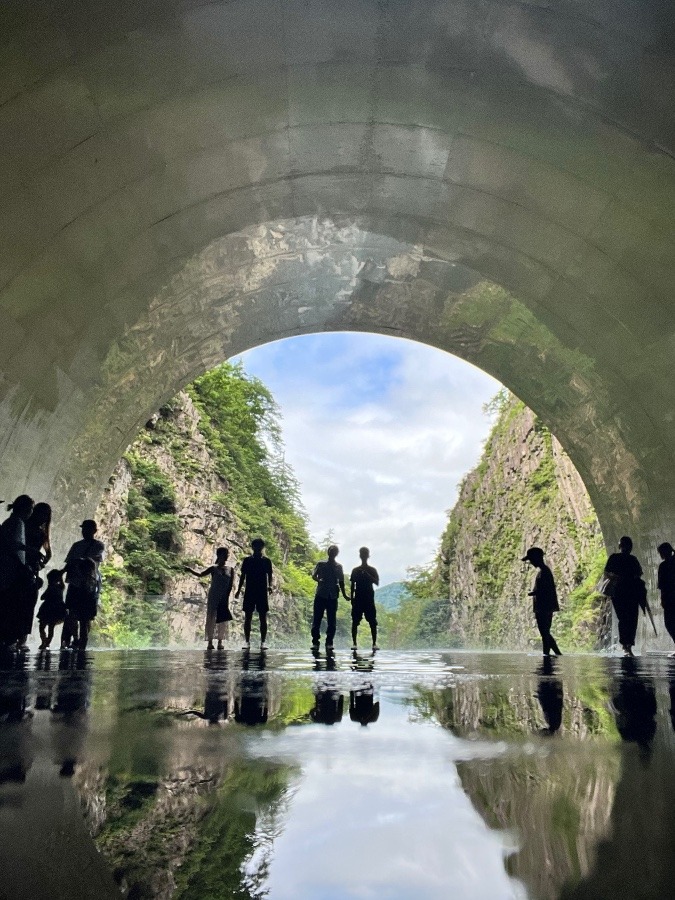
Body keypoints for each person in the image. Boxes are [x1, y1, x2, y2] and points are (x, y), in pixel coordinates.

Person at [61, 520, 105, 649]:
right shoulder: (76, 545)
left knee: (85, 617)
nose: (84, 531)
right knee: (70, 613)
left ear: (94, 531)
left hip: (89, 584)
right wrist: (61, 573)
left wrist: (77, 562)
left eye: (87, 529)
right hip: (75, 583)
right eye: (83, 529)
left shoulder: (98, 545)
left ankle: (82, 643)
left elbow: (91, 560)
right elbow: (69, 562)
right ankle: (68, 641)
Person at [0, 494, 35, 648]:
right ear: (26, 509)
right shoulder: (17, 522)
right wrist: (23, 566)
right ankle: (11, 637)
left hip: (7, 568)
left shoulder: (10, 521)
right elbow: (13, 546)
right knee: (13, 603)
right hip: (12, 569)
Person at [185, 547, 234, 650]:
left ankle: (220, 642)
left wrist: (227, 596)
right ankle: (210, 642)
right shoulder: (213, 568)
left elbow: (230, 585)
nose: (226, 556)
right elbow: (201, 574)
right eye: (225, 554)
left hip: (224, 596)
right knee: (211, 616)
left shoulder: (230, 569)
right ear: (219, 555)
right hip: (214, 595)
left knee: (222, 618)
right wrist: (190, 570)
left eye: (227, 554)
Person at [604, 536, 644, 657]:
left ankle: (626, 646)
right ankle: (627, 646)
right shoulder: (631, 559)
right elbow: (638, 575)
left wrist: (616, 578)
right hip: (626, 593)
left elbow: (607, 573)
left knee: (625, 619)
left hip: (621, 593)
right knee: (630, 619)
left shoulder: (616, 558)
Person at [22, 502, 52, 647]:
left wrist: (41, 563)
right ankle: (19, 637)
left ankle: (22, 638)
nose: (43, 518)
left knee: (29, 602)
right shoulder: (29, 527)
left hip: (31, 568)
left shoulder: (34, 529)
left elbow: (48, 553)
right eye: (41, 514)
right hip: (24, 567)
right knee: (24, 602)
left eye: (45, 515)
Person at [522, 546, 562, 656]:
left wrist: (533, 593)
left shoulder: (544, 572)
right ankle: (556, 654)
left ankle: (547, 655)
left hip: (544, 607)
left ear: (536, 558)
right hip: (544, 607)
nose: (530, 562)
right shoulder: (544, 571)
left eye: (531, 559)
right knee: (546, 633)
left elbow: (545, 589)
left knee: (544, 632)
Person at [234, 538, 273, 650]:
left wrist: (270, 586)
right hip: (250, 590)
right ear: (253, 547)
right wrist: (238, 590)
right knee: (248, 617)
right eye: (256, 546)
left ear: (262, 547)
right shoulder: (247, 560)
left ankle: (263, 642)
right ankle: (247, 642)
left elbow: (270, 575)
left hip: (261, 591)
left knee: (262, 617)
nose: (257, 548)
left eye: (259, 546)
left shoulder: (266, 561)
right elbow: (243, 576)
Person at [311, 544, 349, 651]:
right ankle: (315, 642)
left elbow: (341, 582)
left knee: (332, 621)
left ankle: (329, 642)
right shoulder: (321, 564)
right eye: (331, 551)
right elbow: (313, 575)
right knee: (317, 619)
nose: (332, 553)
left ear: (336, 554)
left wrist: (345, 594)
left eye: (334, 552)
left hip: (333, 596)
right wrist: (319, 580)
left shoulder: (338, 567)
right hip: (321, 594)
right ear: (328, 552)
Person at [350, 546, 380, 650]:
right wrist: (352, 597)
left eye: (364, 553)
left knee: (372, 621)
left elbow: (377, 582)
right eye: (362, 553)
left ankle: (374, 643)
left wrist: (367, 575)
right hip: (358, 598)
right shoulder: (355, 570)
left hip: (368, 598)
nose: (363, 555)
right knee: (355, 621)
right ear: (360, 555)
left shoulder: (372, 570)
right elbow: (352, 584)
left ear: (367, 555)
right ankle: (354, 643)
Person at [36, 570, 67, 650]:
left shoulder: (51, 588)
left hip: (48, 609)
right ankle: (47, 643)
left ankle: (44, 642)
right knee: (51, 628)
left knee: (42, 626)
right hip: (57, 610)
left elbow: (42, 597)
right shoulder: (61, 587)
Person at [657, 542, 675, 656]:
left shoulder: (663, 566)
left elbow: (662, 585)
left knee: (669, 623)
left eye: (660, 553)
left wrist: (662, 599)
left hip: (669, 598)